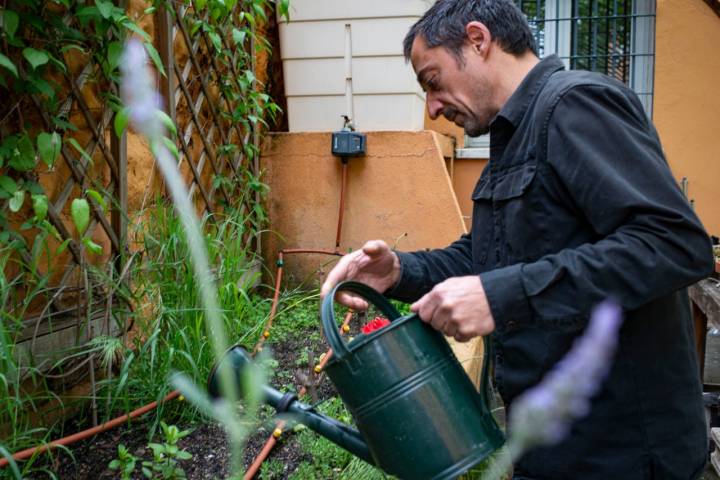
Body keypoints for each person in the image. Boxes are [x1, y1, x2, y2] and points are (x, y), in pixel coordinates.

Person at [319, 0, 715, 478]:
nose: (433, 107)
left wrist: (502, 295)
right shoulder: (513, 138)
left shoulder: (576, 104)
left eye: (433, 80)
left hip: (621, 454)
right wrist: (401, 271)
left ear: (478, 40)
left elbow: (673, 244)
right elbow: (490, 256)